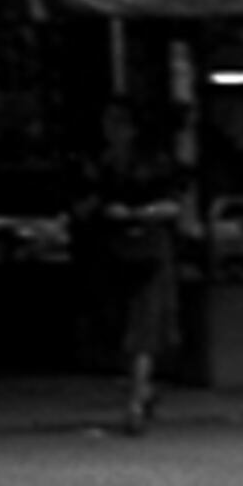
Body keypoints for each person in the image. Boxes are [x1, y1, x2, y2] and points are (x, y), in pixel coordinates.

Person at [73, 96, 188, 434]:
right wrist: (102, 210)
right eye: (109, 123)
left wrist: (140, 213)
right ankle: (142, 389)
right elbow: (82, 205)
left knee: (142, 326)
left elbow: (175, 204)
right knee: (127, 325)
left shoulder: (153, 164)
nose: (113, 130)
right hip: (115, 250)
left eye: (119, 123)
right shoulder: (97, 163)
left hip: (145, 250)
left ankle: (136, 398)